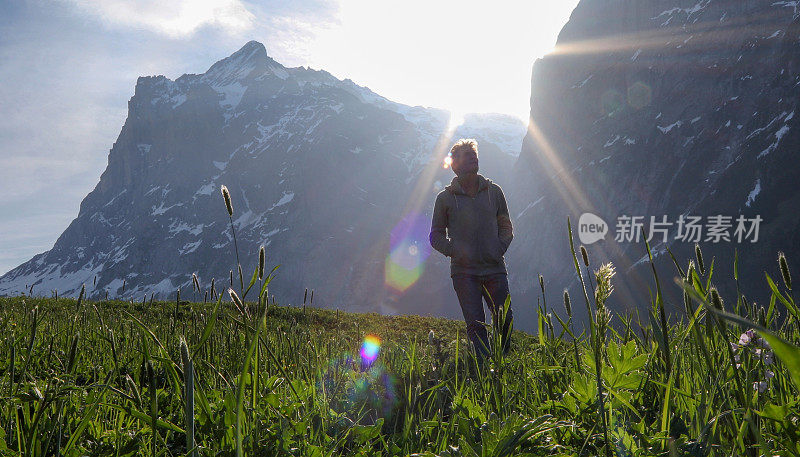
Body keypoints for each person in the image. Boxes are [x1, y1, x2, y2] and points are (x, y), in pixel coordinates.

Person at [429, 138, 513, 364]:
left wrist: (499, 248)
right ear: (455, 165)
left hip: (495, 268)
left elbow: (506, 225)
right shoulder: (445, 199)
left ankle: (503, 366)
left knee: (505, 321)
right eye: (466, 154)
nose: (473, 157)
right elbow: (435, 236)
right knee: (476, 325)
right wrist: (455, 251)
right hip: (464, 273)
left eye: (474, 153)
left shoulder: (494, 192)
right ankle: (485, 372)